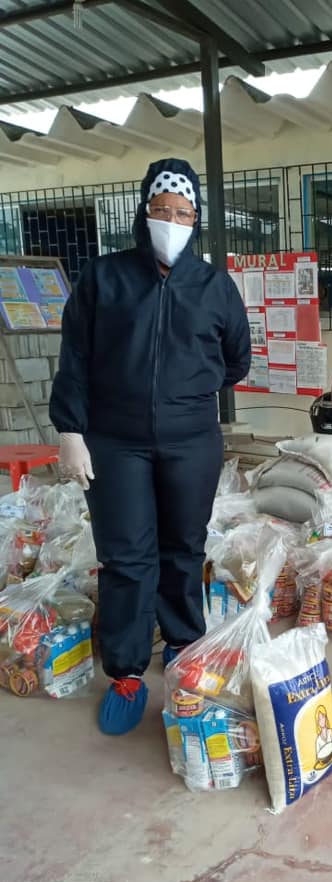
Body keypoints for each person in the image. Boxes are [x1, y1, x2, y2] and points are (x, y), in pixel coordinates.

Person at [49, 158, 251, 736]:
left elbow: (236, 359)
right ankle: (128, 671)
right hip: (114, 442)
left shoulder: (214, 286)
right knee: (126, 558)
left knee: (183, 548)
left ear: (197, 219)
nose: (171, 221)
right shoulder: (104, 277)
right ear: (143, 212)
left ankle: (184, 647)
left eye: (183, 213)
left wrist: (186, 393)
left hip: (191, 440)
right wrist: (71, 430)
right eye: (161, 209)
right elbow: (76, 356)